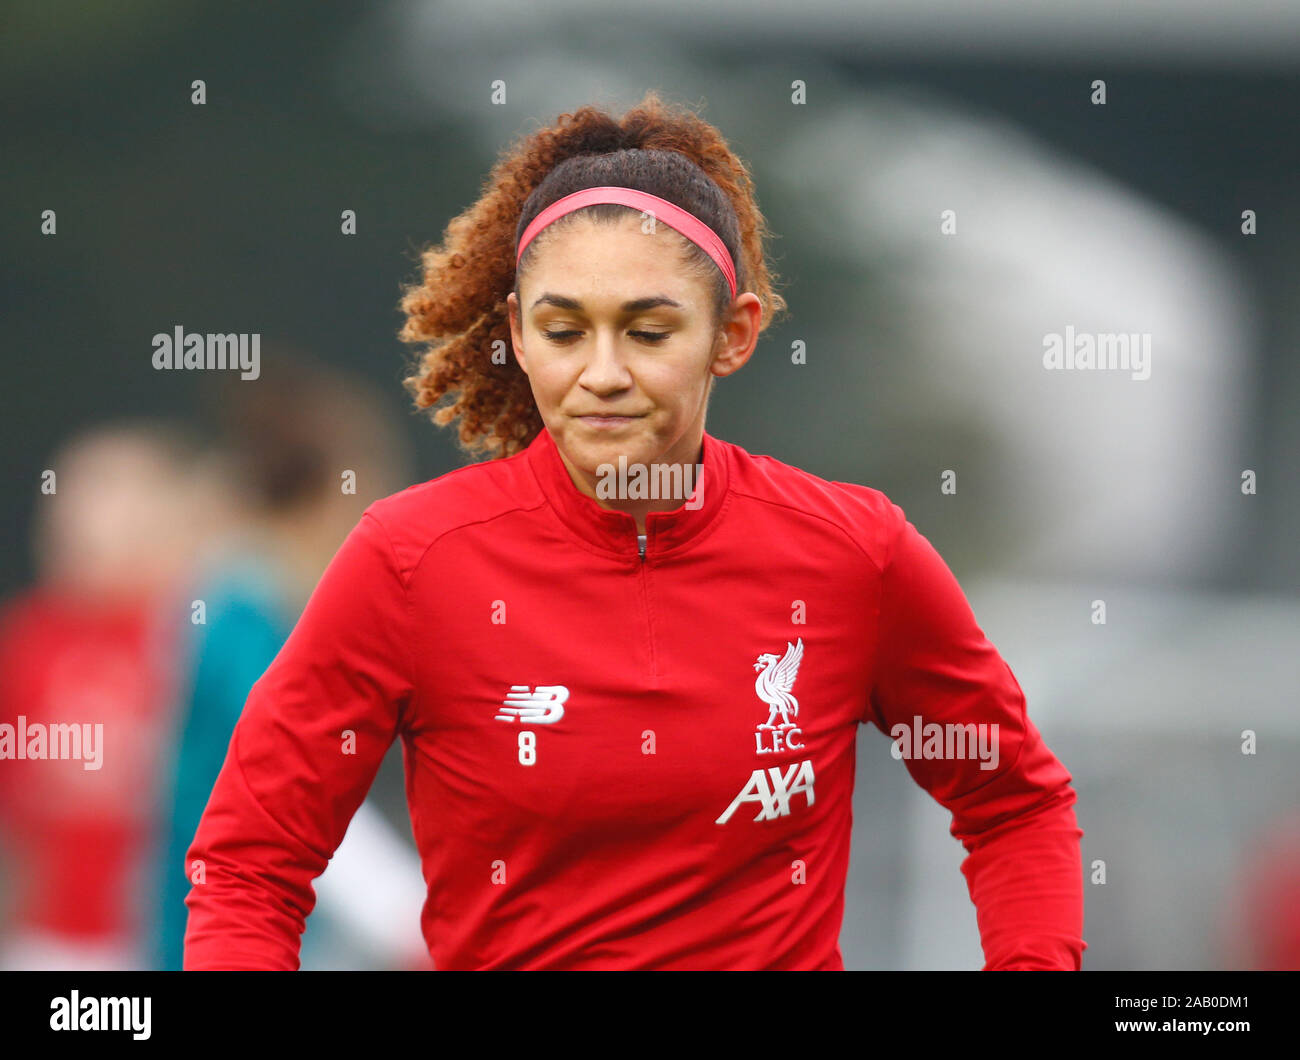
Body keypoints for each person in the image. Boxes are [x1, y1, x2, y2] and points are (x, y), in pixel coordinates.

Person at [183, 91, 1084, 971]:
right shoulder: (410, 560)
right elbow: (251, 863)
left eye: (648, 332)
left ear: (734, 334)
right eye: (564, 330)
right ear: (518, 336)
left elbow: (1012, 803)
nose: (602, 374)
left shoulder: (856, 552)